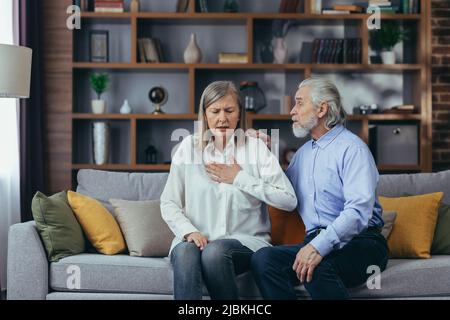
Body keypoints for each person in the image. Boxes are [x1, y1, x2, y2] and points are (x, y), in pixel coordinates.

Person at [251, 77, 389, 300]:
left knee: (316, 266)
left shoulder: (353, 149)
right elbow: (281, 192)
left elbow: (358, 212)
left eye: (299, 103)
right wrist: (262, 153)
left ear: (322, 108)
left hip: (363, 243)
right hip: (313, 241)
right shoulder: (303, 154)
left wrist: (318, 247)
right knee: (264, 259)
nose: (292, 112)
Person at [160, 80, 297, 300]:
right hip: (194, 237)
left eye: (229, 110)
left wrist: (239, 177)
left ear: (239, 114)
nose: (222, 118)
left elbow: (288, 199)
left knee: (215, 253)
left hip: (245, 241)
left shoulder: (255, 148)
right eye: (215, 111)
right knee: (185, 252)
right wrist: (188, 231)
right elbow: (169, 202)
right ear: (205, 115)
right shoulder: (188, 147)